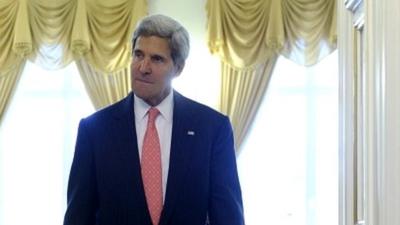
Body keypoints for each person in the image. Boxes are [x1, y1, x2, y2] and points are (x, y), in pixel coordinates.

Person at [63, 14, 244, 225]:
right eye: (138, 55)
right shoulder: (94, 130)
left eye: (157, 59)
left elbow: (228, 216)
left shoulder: (212, 128)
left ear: (178, 68)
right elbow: (78, 217)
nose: (143, 68)